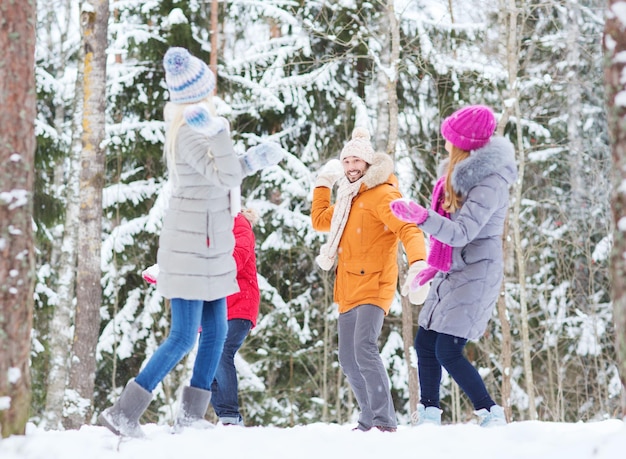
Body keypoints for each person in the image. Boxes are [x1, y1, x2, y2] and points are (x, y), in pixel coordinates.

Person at [98, 47, 283, 438]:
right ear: (197, 96)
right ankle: (124, 413)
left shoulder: (202, 130)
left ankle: (190, 416)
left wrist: (252, 160)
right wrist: (227, 139)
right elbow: (224, 176)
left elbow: (223, 174)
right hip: (191, 244)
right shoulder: (189, 133)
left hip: (211, 243)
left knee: (215, 333)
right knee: (183, 335)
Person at [389, 104, 518, 427]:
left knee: (448, 348)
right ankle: (429, 415)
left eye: (450, 138)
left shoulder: (490, 182)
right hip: (454, 268)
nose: (445, 143)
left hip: (476, 272)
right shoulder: (460, 176)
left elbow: (462, 233)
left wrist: (421, 217)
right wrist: (435, 264)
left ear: (465, 144)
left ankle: (491, 413)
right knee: (425, 341)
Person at [311, 127, 428, 433]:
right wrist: (324, 183)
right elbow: (321, 219)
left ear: (368, 164)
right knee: (348, 358)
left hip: (375, 284)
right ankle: (367, 420)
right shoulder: (349, 198)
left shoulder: (383, 194)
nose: (351, 167)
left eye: (356, 161)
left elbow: (409, 229)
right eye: (346, 161)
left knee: (364, 346)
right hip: (348, 286)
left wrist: (418, 263)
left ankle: (384, 421)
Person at [210, 208, 261, 426]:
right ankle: (223, 416)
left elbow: (237, 257)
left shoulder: (238, 223)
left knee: (221, 351)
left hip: (239, 301)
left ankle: (230, 415)